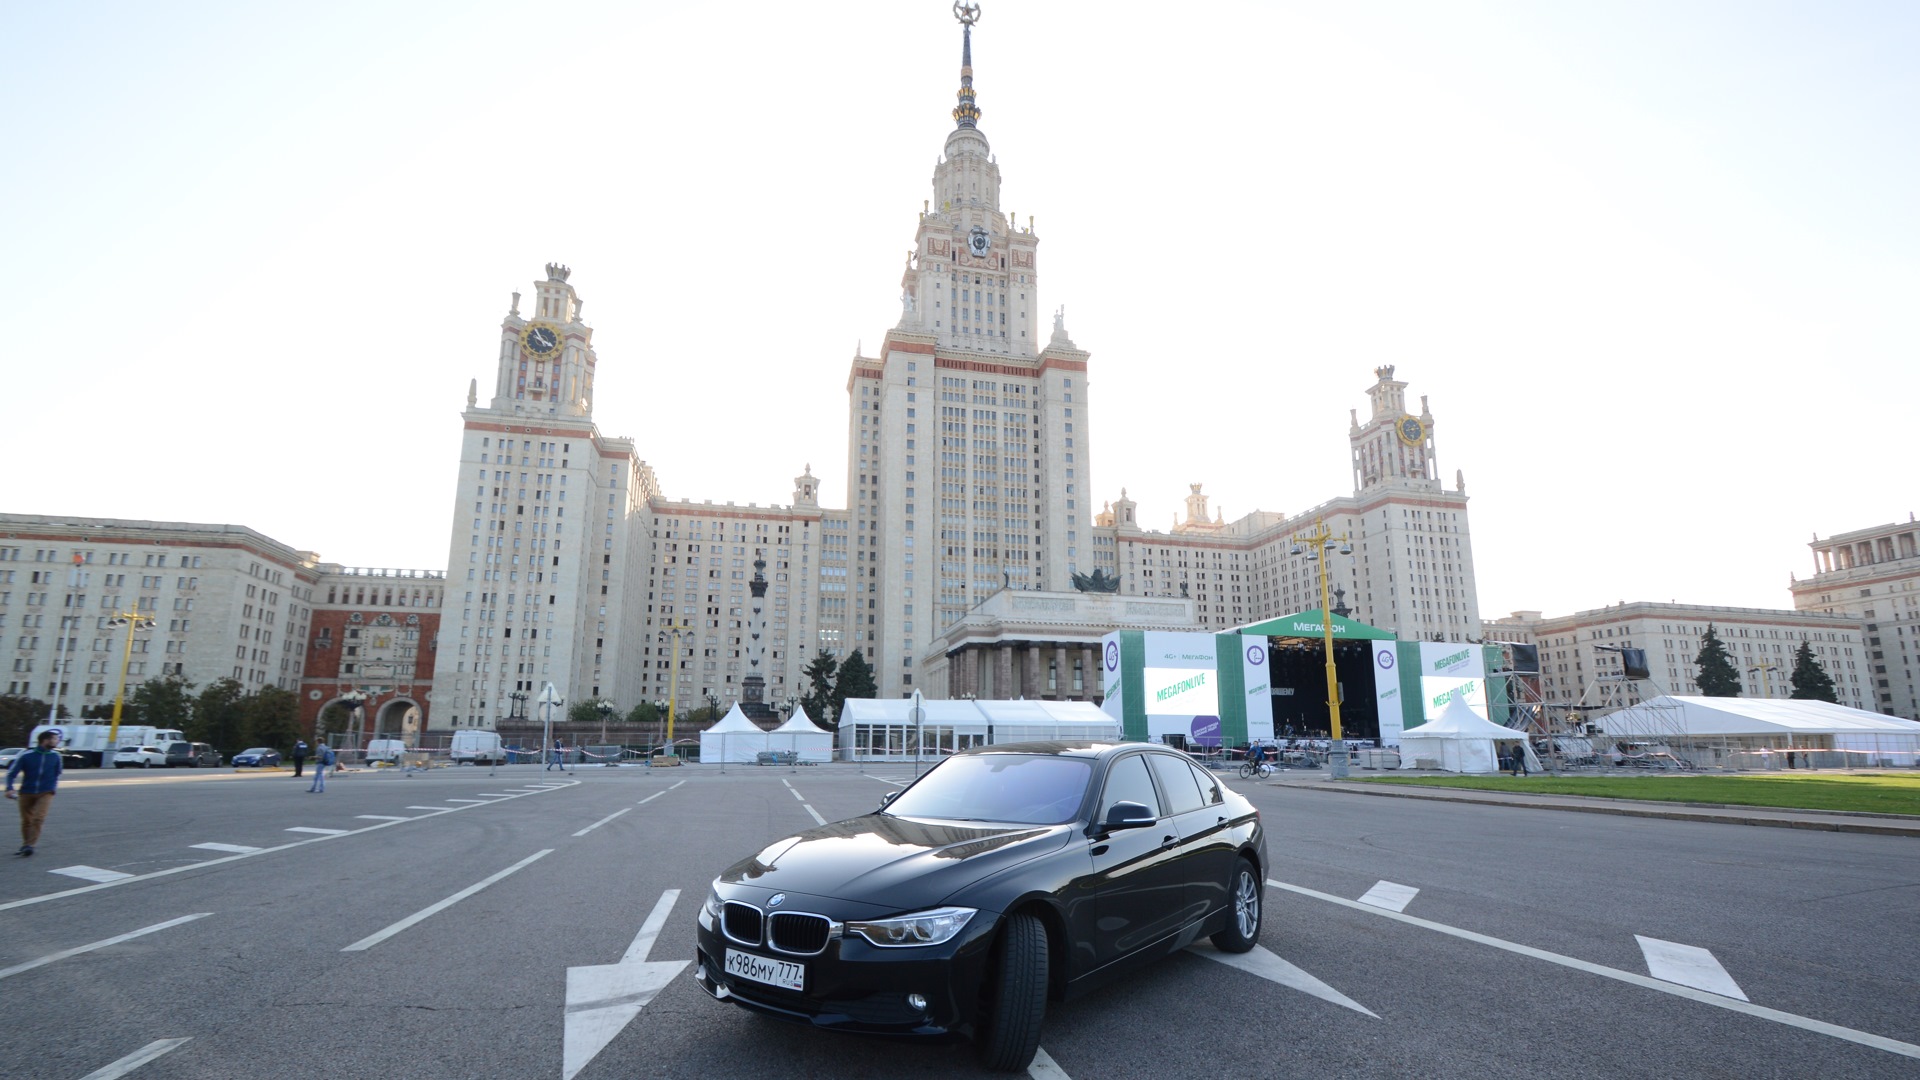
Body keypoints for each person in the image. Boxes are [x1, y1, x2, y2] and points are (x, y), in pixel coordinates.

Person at [6, 729, 64, 856]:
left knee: (38, 818)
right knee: (26, 820)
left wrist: (52, 788)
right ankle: (26, 844)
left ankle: (30, 845)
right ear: (45, 740)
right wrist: (9, 788)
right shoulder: (26, 755)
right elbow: (11, 773)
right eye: (55, 739)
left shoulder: (55, 756)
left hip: (46, 792)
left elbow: (57, 773)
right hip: (26, 791)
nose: (57, 741)